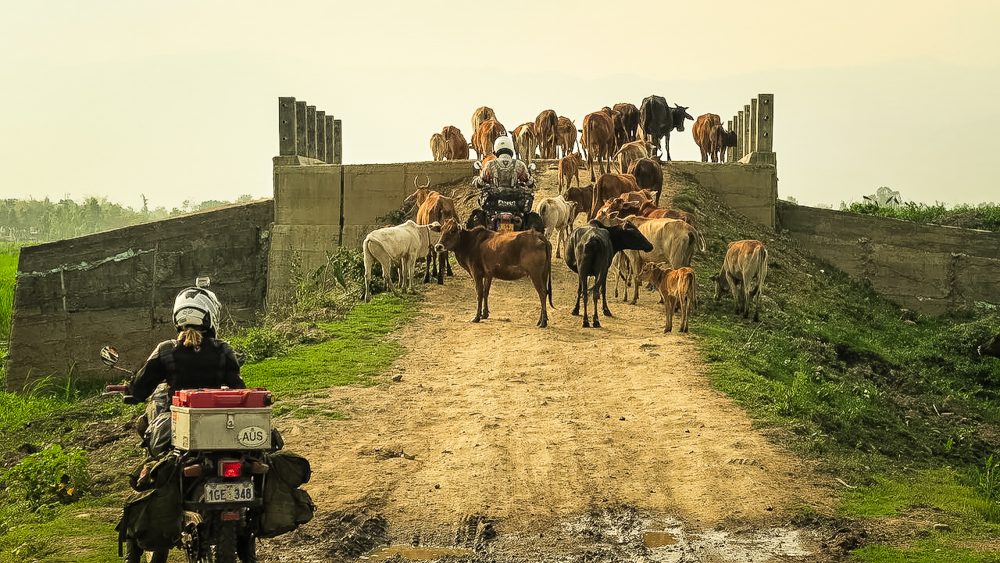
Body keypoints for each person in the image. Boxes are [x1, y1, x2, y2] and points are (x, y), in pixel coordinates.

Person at [474, 135, 536, 215]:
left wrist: (477, 182)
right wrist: (531, 182)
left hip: (494, 202)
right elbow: (529, 182)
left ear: (496, 148)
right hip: (516, 202)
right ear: (511, 147)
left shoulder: (490, 164)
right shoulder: (520, 164)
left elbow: (481, 182)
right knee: (529, 216)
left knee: (479, 216)